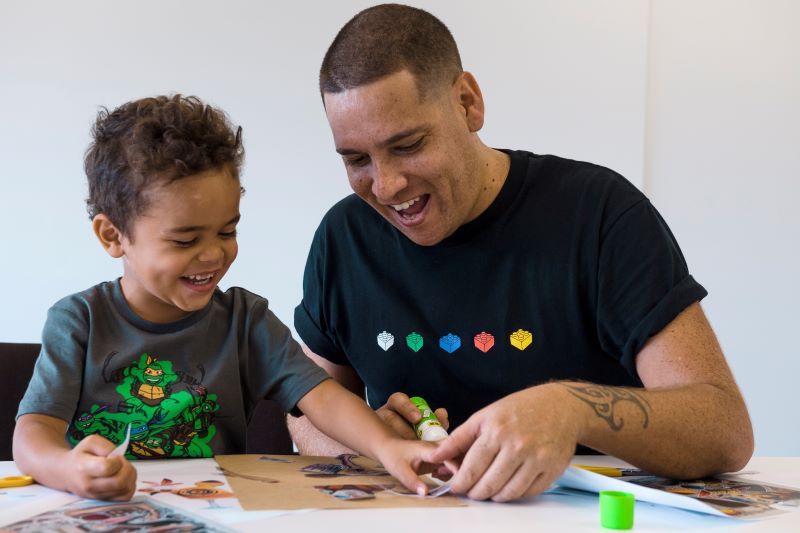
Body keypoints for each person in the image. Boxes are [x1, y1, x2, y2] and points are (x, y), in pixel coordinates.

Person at [288, 4, 754, 502]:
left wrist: (571, 406)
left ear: (467, 103)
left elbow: (724, 431)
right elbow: (303, 417)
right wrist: (371, 441)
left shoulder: (599, 214)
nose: (385, 186)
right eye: (357, 159)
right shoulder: (343, 238)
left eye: (407, 145)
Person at [13, 94, 433, 501]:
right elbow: (33, 435)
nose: (214, 254)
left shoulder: (245, 320)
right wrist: (69, 469)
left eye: (227, 231)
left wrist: (386, 447)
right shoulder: (79, 321)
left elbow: (321, 397)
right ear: (113, 236)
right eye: (185, 240)